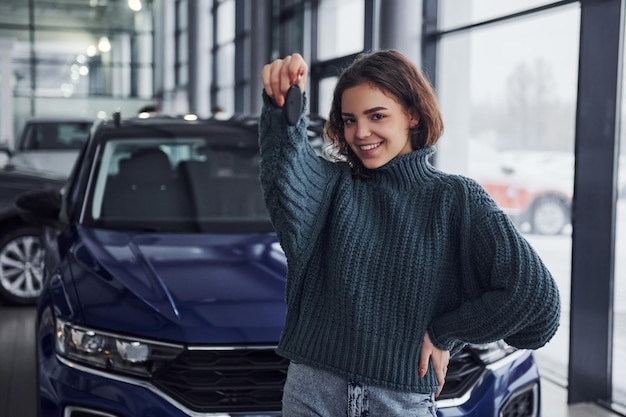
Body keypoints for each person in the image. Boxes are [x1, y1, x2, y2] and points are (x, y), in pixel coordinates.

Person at [258, 49, 560, 417]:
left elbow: (536, 300)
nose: (360, 133)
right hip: (312, 392)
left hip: (399, 401)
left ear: (412, 114)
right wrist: (283, 108)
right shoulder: (333, 187)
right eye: (349, 120)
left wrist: (446, 331)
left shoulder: (456, 199)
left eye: (377, 116)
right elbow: (286, 170)